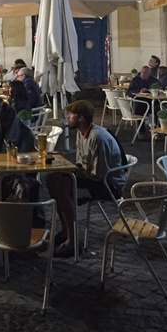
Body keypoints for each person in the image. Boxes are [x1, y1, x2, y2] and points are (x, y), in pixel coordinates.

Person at [47, 100, 126, 257]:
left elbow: (97, 175)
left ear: (80, 118)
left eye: (71, 115)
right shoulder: (81, 133)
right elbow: (81, 164)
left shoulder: (97, 137)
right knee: (52, 179)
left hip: (108, 186)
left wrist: (71, 172)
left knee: (62, 187)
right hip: (94, 178)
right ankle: (66, 231)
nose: (68, 117)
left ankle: (72, 241)